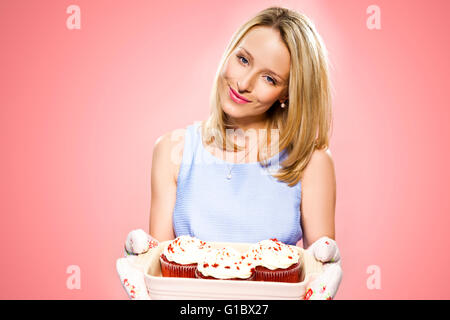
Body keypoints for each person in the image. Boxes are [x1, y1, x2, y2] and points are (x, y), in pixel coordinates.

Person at [117, 6, 342, 300]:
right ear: (230, 52)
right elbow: (163, 271)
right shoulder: (172, 151)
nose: (243, 83)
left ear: (287, 93)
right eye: (243, 59)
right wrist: (142, 270)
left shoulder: (311, 163)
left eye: (269, 79)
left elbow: (316, 271)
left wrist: (325, 274)